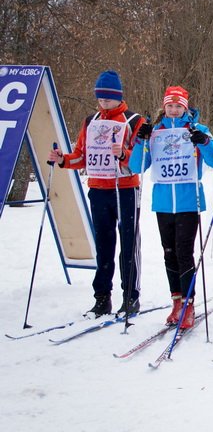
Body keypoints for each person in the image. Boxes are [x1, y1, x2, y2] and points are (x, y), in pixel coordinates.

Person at [47, 71, 146, 317]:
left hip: (124, 188)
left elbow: (141, 159)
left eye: (108, 99)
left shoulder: (134, 120)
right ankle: (102, 298)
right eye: (100, 99)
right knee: (103, 244)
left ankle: (130, 296)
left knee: (128, 243)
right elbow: (81, 155)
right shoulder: (91, 121)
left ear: (118, 97)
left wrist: (123, 154)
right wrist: (63, 160)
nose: (104, 104)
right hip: (99, 189)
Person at [128, 86, 213, 328]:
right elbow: (136, 166)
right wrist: (140, 141)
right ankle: (177, 301)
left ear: (185, 108)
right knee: (168, 252)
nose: (173, 110)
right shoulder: (155, 131)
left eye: (178, 106)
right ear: (164, 107)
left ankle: (189, 304)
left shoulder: (197, 129)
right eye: (170, 105)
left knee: (184, 252)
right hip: (163, 202)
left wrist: (204, 142)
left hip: (188, 200)